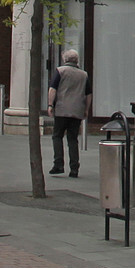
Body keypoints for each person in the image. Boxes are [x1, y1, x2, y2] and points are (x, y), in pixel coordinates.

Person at [48, 48, 89, 178]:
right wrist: (86, 109)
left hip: (61, 109)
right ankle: (74, 168)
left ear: (65, 59)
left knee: (57, 136)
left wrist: (50, 105)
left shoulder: (60, 71)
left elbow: (53, 89)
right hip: (77, 111)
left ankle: (58, 164)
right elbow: (88, 94)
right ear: (77, 60)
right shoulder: (84, 75)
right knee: (72, 139)